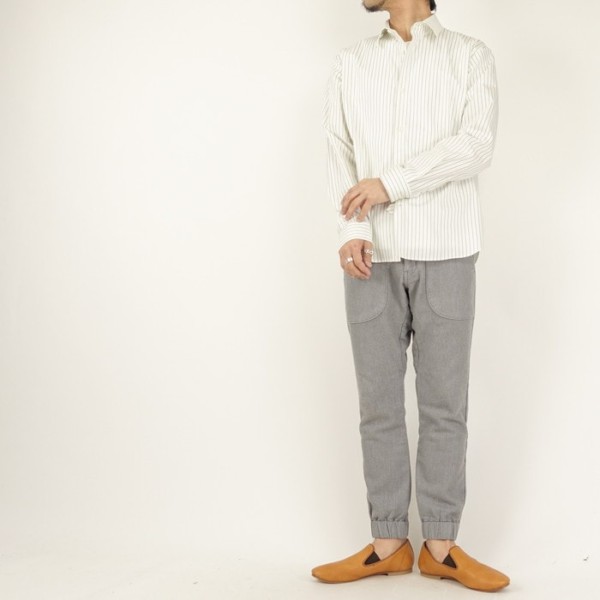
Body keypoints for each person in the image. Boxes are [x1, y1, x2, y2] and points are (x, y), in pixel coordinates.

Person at [312, 0, 510, 592]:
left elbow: (475, 146)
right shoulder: (351, 62)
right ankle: (388, 543)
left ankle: (442, 546)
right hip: (370, 255)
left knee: (445, 405)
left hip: (447, 248)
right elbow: (338, 148)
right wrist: (351, 227)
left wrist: (390, 185)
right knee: (378, 407)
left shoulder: (469, 56)